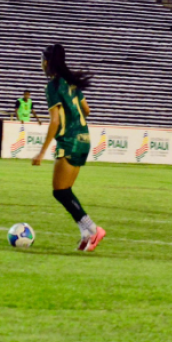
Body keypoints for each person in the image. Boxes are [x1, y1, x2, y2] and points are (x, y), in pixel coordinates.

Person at [32, 43, 105, 252]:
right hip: (84, 139)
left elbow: (54, 121)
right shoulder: (72, 83)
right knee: (65, 190)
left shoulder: (53, 86)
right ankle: (86, 232)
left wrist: (41, 151)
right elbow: (87, 110)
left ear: (47, 62)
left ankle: (92, 228)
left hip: (69, 140)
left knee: (60, 191)